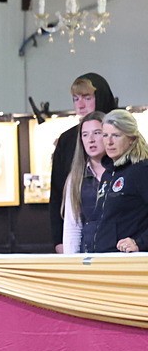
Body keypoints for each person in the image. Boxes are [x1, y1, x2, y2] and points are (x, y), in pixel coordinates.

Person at [49, 73, 117, 252]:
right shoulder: (67, 140)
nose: (80, 104)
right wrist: (59, 240)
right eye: (75, 98)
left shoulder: (123, 136)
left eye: (87, 98)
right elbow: (57, 193)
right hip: (80, 238)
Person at [91, 110, 148, 254]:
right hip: (103, 259)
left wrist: (139, 243)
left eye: (116, 135)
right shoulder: (108, 174)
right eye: (105, 135)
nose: (109, 142)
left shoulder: (141, 170)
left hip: (129, 262)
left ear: (131, 138)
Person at [62, 112, 107, 254]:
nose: (91, 140)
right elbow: (72, 226)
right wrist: (71, 264)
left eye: (97, 133)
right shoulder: (75, 178)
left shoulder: (123, 173)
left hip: (121, 255)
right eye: (85, 135)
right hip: (89, 255)